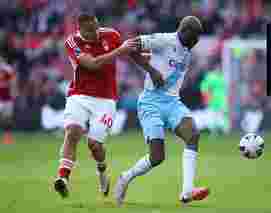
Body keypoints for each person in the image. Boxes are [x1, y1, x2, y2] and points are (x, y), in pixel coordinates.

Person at [114, 16, 209, 206]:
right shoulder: (164, 40)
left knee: (193, 135)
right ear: (185, 32)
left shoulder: (187, 51)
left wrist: (153, 65)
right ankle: (126, 177)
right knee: (157, 157)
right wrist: (151, 70)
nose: (197, 41)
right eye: (195, 37)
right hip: (151, 103)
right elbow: (130, 46)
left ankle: (186, 191)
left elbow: (164, 63)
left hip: (172, 103)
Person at [53, 13, 138, 198]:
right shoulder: (72, 42)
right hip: (79, 95)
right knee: (72, 132)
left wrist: (147, 66)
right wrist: (118, 51)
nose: (96, 33)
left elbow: (130, 51)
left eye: (97, 27)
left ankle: (101, 170)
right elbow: (92, 64)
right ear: (81, 30)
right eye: (91, 31)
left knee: (94, 145)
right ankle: (63, 178)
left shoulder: (111, 35)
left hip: (106, 100)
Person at [0, 57, 17, 145]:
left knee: (7, 118)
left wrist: (13, 92)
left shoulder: (8, 69)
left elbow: (13, 81)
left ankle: (8, 137)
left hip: (7, 99)